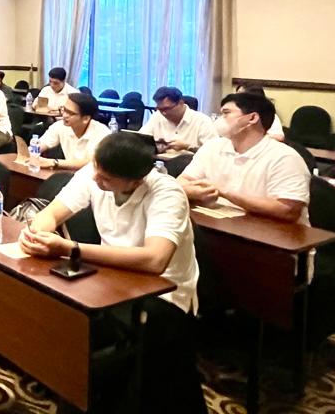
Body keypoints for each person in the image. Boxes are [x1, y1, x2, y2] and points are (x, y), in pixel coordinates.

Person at [19, 133, 206, 413]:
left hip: (164, 293)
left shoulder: (167, 193)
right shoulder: (96, 170)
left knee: (94, 336)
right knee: (56, 308)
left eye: (107, 179)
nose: (97, 179)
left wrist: (71, 249)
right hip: (110, 277)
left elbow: (155, 260)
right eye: (97, 169)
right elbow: (53, 213)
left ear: (137, 181)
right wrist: (37, 232)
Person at [180, 92, 310, 224]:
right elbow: (182, 181)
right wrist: (193, 191)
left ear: (252, 118)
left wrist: (224, 191)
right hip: (219, 225)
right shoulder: (212, 146)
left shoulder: (285, 157)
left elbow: (288, 210)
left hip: (270, 231)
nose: (220, 120)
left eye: (226, 113)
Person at [34, 93, 109, 170]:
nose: (64, 115)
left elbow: (91, 163)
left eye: (70, 113)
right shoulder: (60, 126)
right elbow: (39, 144)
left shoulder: (102, 132)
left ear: (86, 119)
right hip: (71, 173)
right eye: (64, 109)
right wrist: (33, 153)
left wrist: (54, 162)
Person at [140, 86, 217, 153]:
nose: (163, 113)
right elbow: (140, 140)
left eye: (167, 108)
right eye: (159, 109)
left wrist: (188, 147)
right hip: (160, 161)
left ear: (181, 103)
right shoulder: (157, 116)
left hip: (191, 162)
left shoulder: (202, 121)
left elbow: (214, 152)